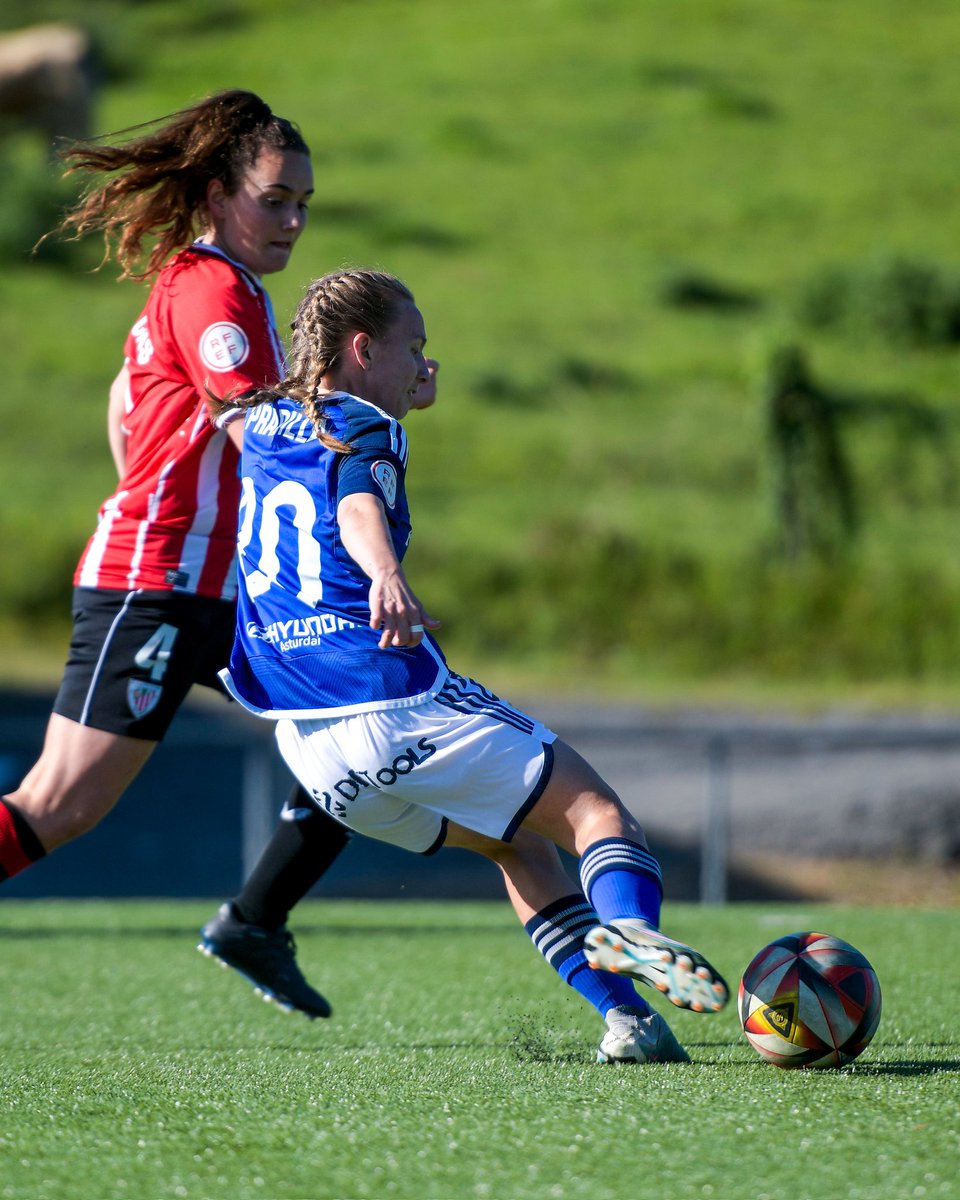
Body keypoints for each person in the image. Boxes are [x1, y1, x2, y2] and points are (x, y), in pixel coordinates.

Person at [212, 268, 730, 1063]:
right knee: (596, 813)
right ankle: (628, 934)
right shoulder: (368, 427)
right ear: (361, 349)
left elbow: (249, 422)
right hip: (391, 698)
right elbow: (355, 503)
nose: (427, 363)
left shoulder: (263, 422)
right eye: (413, 346)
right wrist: (384, 572)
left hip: (309, 750)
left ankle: (629, 1024)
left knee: (515, 846)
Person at [0, 89, 366, 1019]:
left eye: (304, 203)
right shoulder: (211, 288)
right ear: (216, 194)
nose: (293, 220)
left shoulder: (223, 287)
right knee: (58, 807)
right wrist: (357, 485)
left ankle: (253, 920)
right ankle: (252, 918)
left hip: (222, 591)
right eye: (276, 198)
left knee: (367, 721)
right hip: (154, 588)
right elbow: (260, 431)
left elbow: (129, 412)